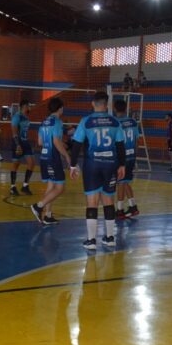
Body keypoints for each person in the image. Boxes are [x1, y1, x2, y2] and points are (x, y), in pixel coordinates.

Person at [68, 91, 126, 250]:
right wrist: (122, 165)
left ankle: (91, 240)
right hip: (110, 164)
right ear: (106, 105)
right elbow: (121, 146)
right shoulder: (115, 121)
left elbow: (76, 145)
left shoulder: (86, 121)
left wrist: (73, 165)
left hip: (92, 165)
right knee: (108, 200)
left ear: (93, 103)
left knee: (92, 202)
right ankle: (110, 237)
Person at [31, 97, 71, 226]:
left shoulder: (44, 122)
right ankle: (38, 206)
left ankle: (48, 216)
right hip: (53, 158)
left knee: (51, 186)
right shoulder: (58, 122)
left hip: (43, 157)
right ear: (60, 108)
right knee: (60, 188)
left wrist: (61, 144)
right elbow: (55, 141)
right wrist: (66, 155)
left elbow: (40, 142)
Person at [113, 99, 140, 220]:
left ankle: (119, 210)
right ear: (125, 109)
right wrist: (135, 155)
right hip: (132, 155)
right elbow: (136, 140)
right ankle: (133, 206)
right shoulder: (133, 122)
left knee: (121, 183)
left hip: (121, 157)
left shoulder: (115, 123)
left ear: (114, 109)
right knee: (126, 181)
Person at [10, 100, 36, 196]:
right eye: (29, 106)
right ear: (24, 106)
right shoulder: (17, 116)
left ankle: (25, 186)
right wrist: (17, 144)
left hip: (25, 142)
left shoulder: (26, 117)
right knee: (16, 163)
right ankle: (12, 187)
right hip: (18, 142)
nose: (30, 107)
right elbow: (14, 132)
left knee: (32, 163)